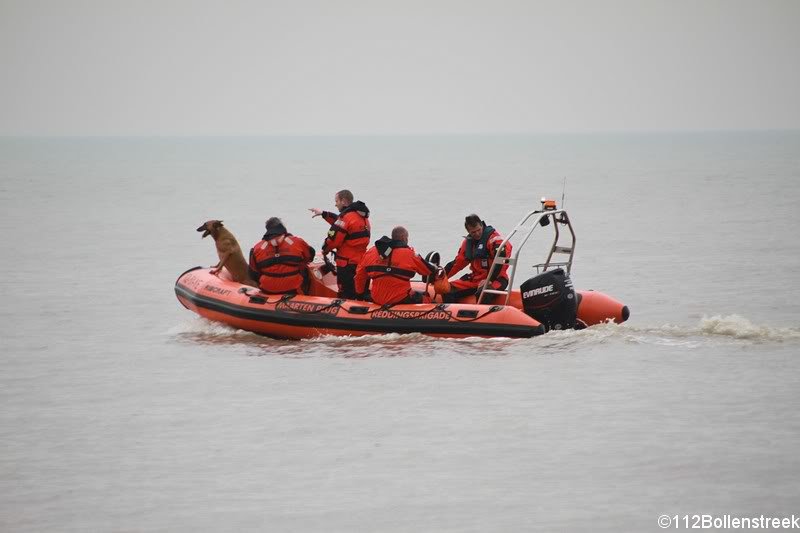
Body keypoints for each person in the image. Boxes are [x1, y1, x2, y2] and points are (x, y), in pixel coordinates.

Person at [309, 189, 371, 299]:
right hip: (361, 262)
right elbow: (340, 222)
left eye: (336, 201)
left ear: (343, 201)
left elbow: (334, 239)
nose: (335, 204)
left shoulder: (346, 217)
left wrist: (325, 249)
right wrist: (323, 214)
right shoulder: (361, 216)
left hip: (347, 264)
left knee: (346, 294)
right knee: (360, 292)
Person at [355, 226, 438, 305]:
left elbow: (359, 276)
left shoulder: (371, 252)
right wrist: (435, 267)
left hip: (377, 298)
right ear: (403, 238)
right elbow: (427, 270)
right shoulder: (410, 254)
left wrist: (360, 295)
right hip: (401, 298)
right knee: (430, 302)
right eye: (407, 238)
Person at [442, 214, 512, 302]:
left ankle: (485, 314)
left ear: (482, 225)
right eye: (473, 232)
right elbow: (458, 263)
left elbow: (502, 261)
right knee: (447, 291)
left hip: (497, 279)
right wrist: (441, 277)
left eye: (478, 230)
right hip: (476, 279)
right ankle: (454, 314)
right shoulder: (468, 243)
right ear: (468, 232)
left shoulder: (495, 240)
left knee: (483, 294)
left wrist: (489, 279)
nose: (477, 234)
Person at [248, 217, 315, 295]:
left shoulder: (257, 248)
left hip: (268, 290)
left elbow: (253, 274)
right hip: (294, 290)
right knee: (305, 270)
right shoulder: (297, 242)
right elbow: (310, 256)